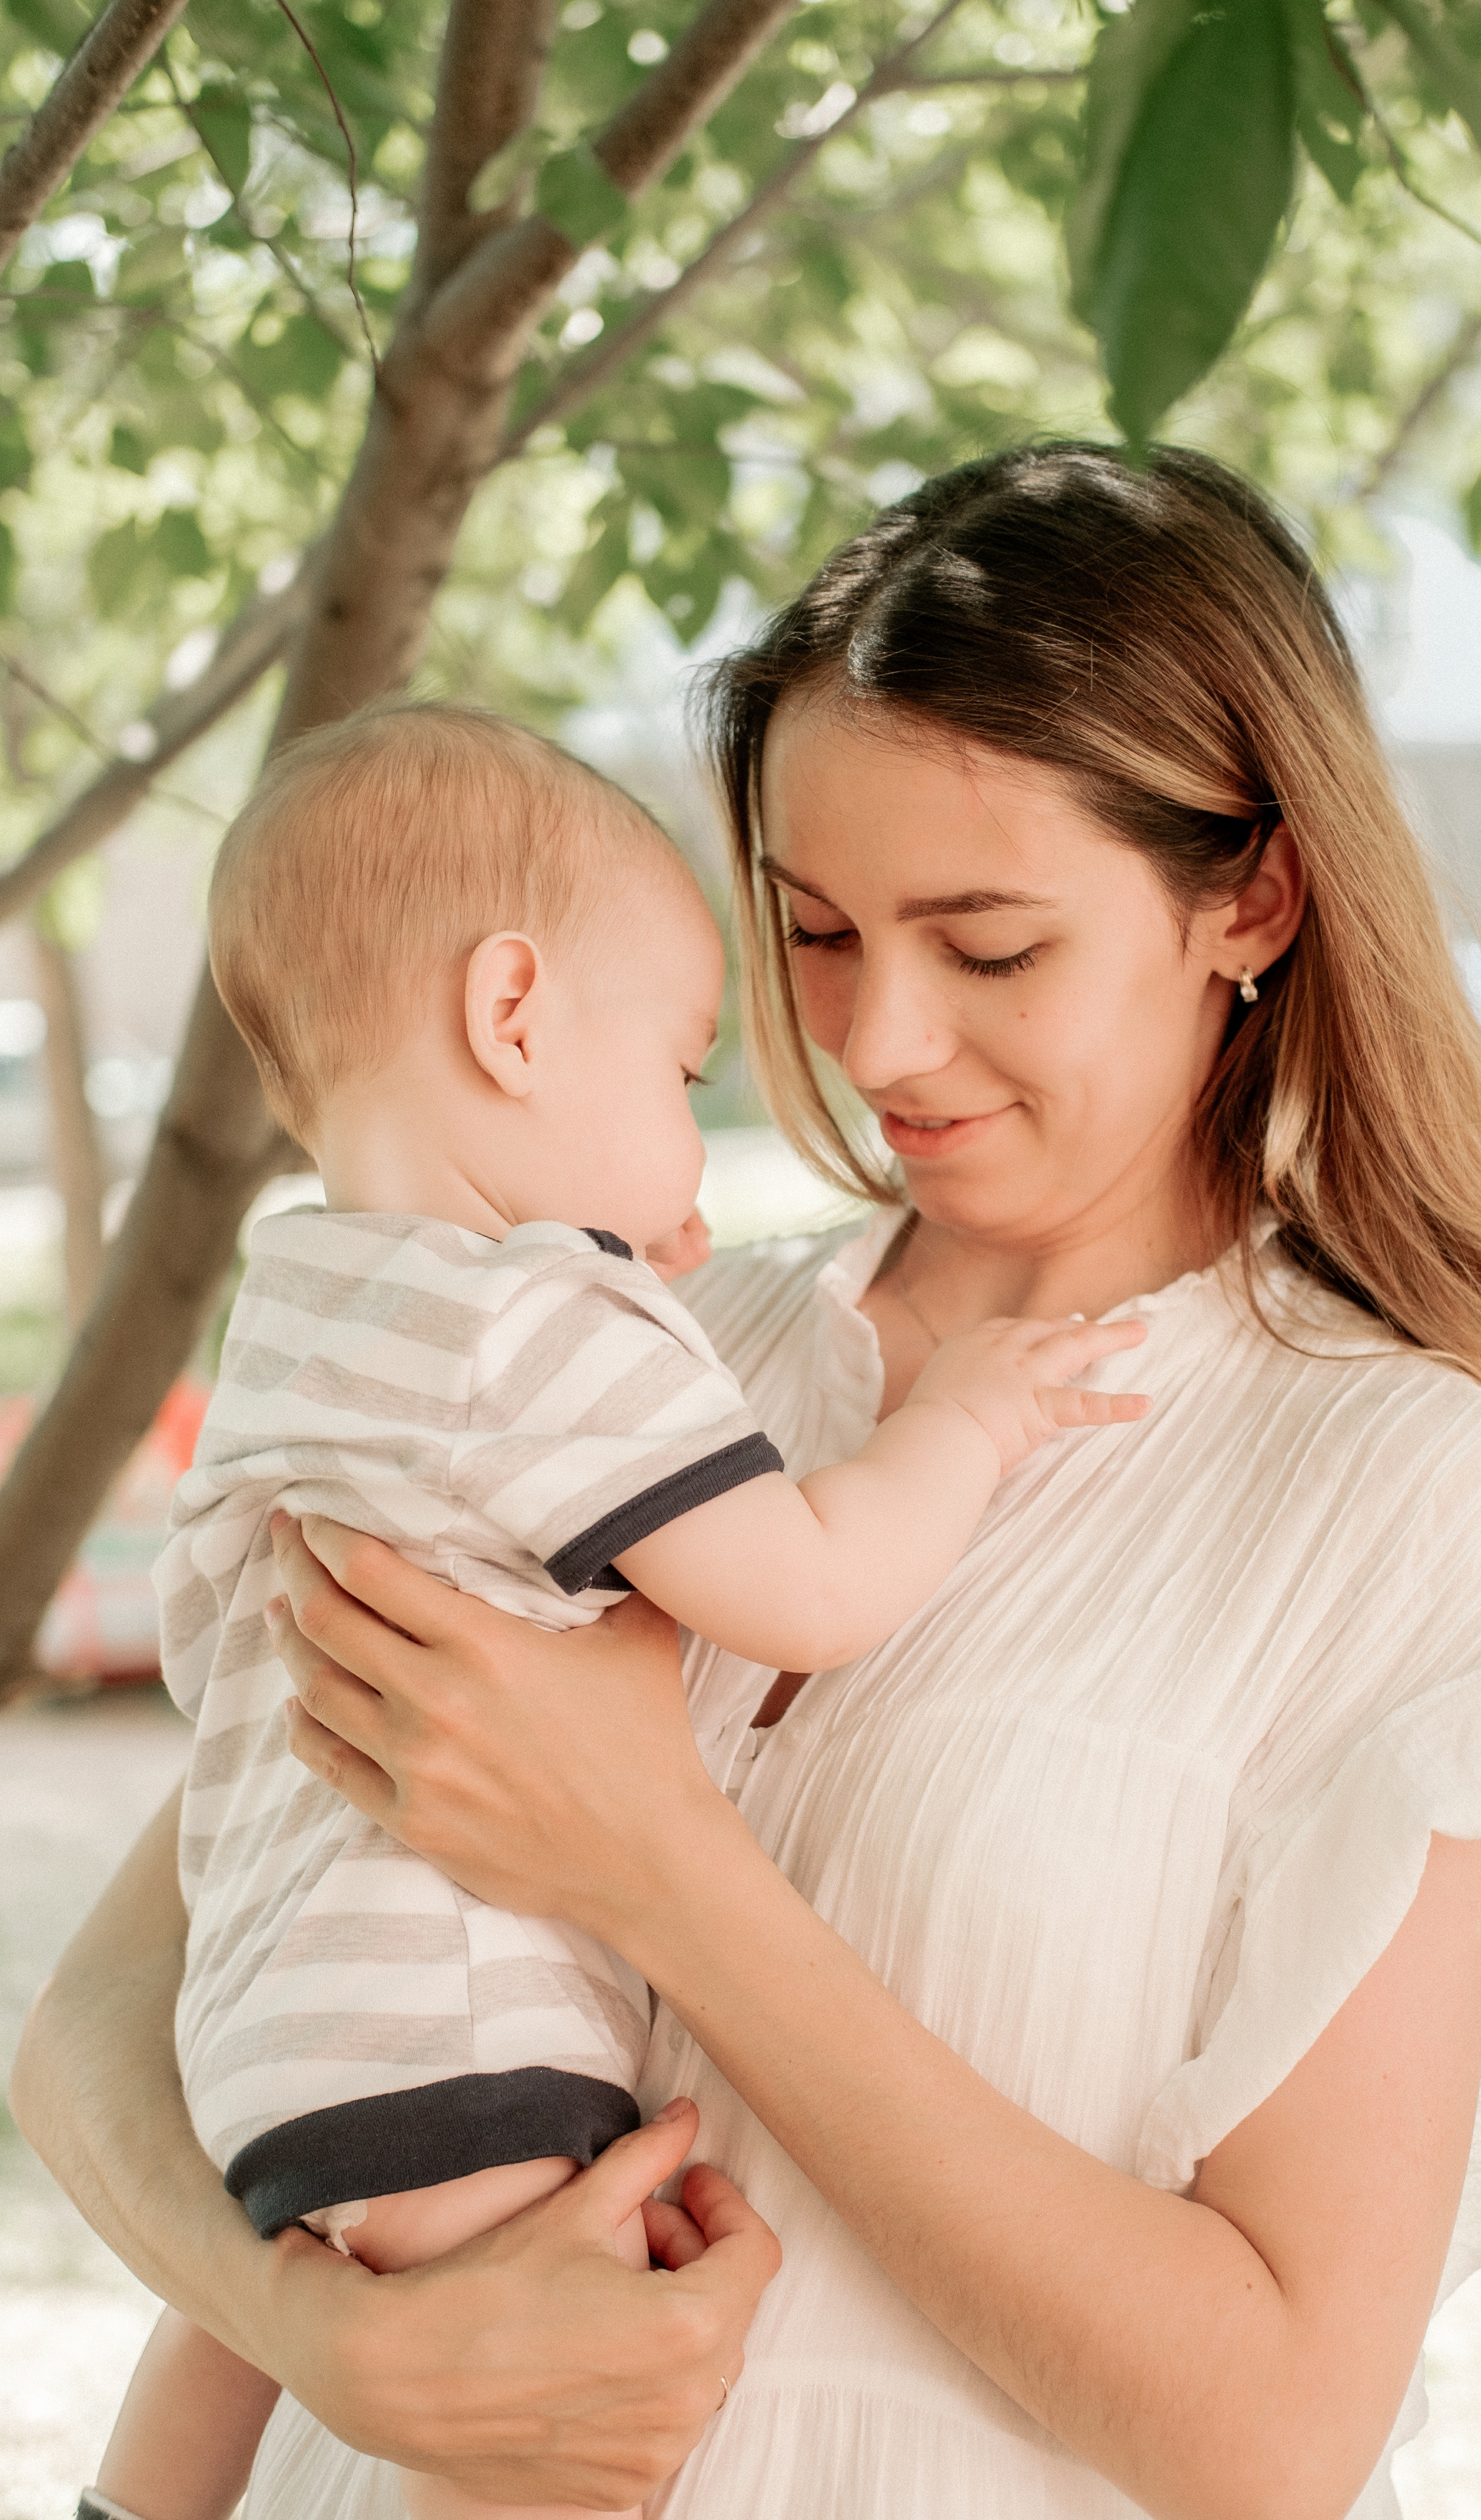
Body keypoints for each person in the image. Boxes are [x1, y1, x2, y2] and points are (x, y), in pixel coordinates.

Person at [15, 442, 1481, 2520]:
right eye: (813, 933)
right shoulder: (600, 1353)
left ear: (1248, 896)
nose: (883, 1040)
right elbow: (94, 2029)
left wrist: (659, 1870)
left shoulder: (1390, 1489)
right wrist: (339, 2343)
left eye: (987, 948)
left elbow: (1273, 2439)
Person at [77, 702, 1145, 2520]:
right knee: (561, 2412)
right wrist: (965, 1423)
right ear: (513, 1019)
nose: (693, 1143)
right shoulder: (546, 1324)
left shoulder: (310, 1311)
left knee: (264, 2326)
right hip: (460, 2026)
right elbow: (804, 1590)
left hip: (268, 2036)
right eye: (674, 1074)